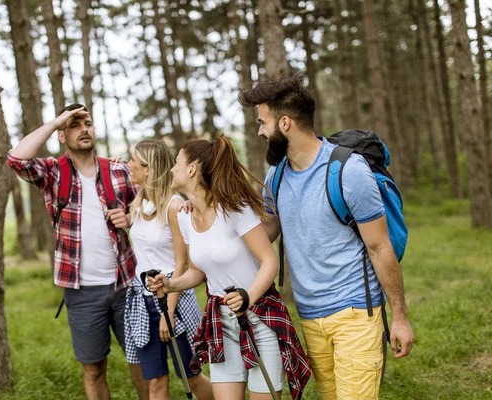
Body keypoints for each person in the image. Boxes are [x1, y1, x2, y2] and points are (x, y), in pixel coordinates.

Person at [238, 74, 415, 400]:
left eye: (263, 123)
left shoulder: (349, 171)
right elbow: (267, 232)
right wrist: (218, 216)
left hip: (356, 314)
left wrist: (400, 317)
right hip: (309, 316)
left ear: (286, 123)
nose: (261, 131)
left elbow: (379, 247)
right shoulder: (275, 176)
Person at [148, 136, 310, 400]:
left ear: (191, 169)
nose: (171, 169)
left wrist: (248, 297)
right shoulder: (185, 217)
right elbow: (198, 272)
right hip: (220, 323)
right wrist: (170, 285)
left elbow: (270, 261)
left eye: (176, 163)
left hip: (259, 318)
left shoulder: (234, 209)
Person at [6, 104, 148, 400]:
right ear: (61, 135)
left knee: (142, 365)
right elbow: (16, 159)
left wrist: (131, 219)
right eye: (74, 125)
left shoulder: (120, 171)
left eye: (88, 123)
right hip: (81, 292)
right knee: (93, 370)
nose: (84, 129)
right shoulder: (52, 173)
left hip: (127, 287)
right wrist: (58, 120)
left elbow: (153, 210)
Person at [123, 139, 213, 400]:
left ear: (149, 169)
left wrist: (168, 312)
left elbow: (181, 264)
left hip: (173, 299)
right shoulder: (139, 204)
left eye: (134, 161)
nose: (129, 165)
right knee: (155, 383)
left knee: (192, 377)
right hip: (142, 300)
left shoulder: (175, 207)